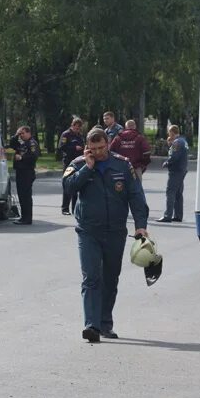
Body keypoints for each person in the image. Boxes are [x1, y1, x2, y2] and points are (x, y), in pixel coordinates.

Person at [63, 128, 148, 343]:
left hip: (115, 231)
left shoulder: (122, 164)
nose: (99, 152)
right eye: (94, 149)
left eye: (102, 148)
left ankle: (105, 323)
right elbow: (68, 187)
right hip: (88, 231)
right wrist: (88, 168)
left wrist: (140, 226)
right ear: (88, 148)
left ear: (108, 143)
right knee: (91, 277)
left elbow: (136, 196)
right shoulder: (79, 163)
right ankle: (91, 325)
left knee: (110, 278)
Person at [156, 125, 189, 223]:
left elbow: (174, 157)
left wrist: (166, 163)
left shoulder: (177, 142)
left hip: (176, 171)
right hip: (182, 169)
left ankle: (167, 215)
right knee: (178, 193)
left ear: (172, 132)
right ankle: (178, 215)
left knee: (170, 192)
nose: (168, 134)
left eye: (169, 132)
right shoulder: (183, 141)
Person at [9, 125, 40, 225]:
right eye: (20, 134)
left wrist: (22, 158)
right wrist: (16, 134)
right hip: (20, 171)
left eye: (23, 133)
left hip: (27, 172)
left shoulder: (32, 143)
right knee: (21, 195)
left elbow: (34, 156)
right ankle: (23, 217)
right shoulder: (22, 143)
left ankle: (27, 218)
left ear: (28, 133)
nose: (21, 135)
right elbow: (12, 144)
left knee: (26, 196)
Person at [58, 118, 84, 215]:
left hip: (78, 162)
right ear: (72, 125)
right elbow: (61, 147)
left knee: (76, 184)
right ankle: (65, 208)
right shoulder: (66, 134)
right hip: (68, 162)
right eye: (76, 127)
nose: (77, 129)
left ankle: (74, 208)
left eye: (79, 128)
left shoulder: (80, 135)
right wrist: (74, 147)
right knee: (67, 184)